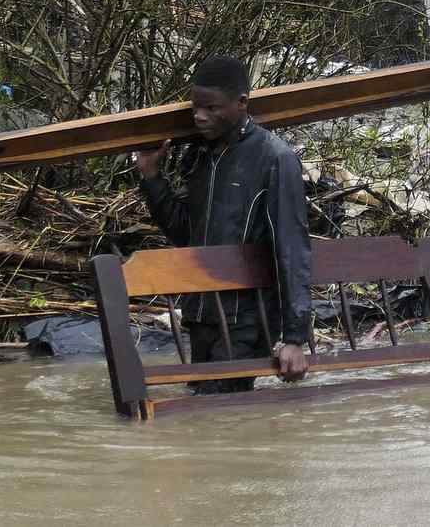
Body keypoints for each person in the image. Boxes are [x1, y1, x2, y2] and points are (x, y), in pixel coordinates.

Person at [133, 55, 312, 394]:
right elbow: (186, 234)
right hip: (201, 311)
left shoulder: (275, 159)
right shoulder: (201, 156)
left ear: (242, 103)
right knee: (207, 411)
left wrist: (294, 337)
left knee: (217, 406)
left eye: (212, 109)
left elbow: (291, 249)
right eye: (196, 107)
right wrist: (153, 177)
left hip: (247, 316)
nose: (200, 117)